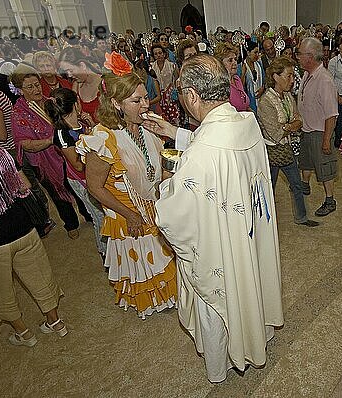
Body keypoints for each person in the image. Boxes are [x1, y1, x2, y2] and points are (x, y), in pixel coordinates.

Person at [152, 54, 283, 383]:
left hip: (220, 247)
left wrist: (163, 192)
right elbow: (218, 152)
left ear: (193, 96)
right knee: (248, 282)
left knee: (215, 305)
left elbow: (175, 217)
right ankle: (257, 334)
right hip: (247, 232)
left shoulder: (201, 155)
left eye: (182, 91)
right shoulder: (245, 122)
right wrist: (175, 132)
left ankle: (219, 367)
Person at [75, 53, 177, 318]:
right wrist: (129, 214)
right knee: (143, 261)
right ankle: (152, 301)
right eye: (137, 100)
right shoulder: (103, 138)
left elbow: (157, 167)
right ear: (116, 104)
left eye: (145, 97)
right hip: (126, 213)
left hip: (152, 206)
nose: (146, 104)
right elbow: (95, 188)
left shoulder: (146, 126)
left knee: (163, 256)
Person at [0, 108, 67, 347]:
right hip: (22, 228)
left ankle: (24, 334)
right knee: (39, 274)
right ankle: (55, 322)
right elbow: (23, 187)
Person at [9, 63, 80, 239]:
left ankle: (88, 215)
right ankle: (71, 224)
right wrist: (50, 140)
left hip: (66, 152)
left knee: (78, 186)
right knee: (58, 194)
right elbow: (25, 144)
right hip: (44, 161)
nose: (36, 89)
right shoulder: (18, 113)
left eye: (37, 84)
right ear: (20, 90)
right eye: (30, 86)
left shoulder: (50, 102)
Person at [44, 87, 108, 262]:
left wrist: (92, 128)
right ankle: (105, 253)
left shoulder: (82, 122)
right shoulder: (62, 134)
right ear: (75, 104)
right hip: (81, 181)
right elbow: (78, 165)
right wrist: (88, 142)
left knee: (105, 213)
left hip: (94, 175)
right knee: (99, 217)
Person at [258, 56, 319, 227]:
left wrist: (288, 126)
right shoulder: (265, 101)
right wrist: (292, 125)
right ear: (276, 77)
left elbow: (299, 120)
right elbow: (275, 134)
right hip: (270, 153)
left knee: (297, 185)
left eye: (293, 76)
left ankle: (301, 217)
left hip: (286, 149)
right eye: (289, 76)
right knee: (269, 190)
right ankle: (264, 224)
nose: (292, 80)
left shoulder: (287, 96)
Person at [296, 37, 339, 217]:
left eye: (299, 53)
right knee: (305, 162)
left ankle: (330, 200)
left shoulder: (324, 80)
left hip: (320, 132)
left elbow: (331, 114)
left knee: (325, 168)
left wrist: (327, 140)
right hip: (306, 129)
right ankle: (304, 186)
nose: (296, 56)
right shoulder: (307, 74)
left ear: (310, 56)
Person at [58, 47, 102, 124]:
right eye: (66, 72)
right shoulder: (76, 85)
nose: (69, 75)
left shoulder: (104, 84)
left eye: (70, 70)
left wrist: (94, 126)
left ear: (82, 66)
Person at [214, 42, 251, 112]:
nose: (234, 63)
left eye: (235, 59)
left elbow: (244, 103)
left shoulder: (237, 79)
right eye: (230, 60)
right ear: (220, 63)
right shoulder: (220, 85)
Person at [150, 43, 180, 125]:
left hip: (170, 95)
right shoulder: (151, 67)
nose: (158, 55)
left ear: (164, 53)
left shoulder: (172, 65)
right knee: (163, 118)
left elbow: (177, 79)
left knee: (174, 116)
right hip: (158, 95)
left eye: (160, 53)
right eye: (156, 54)